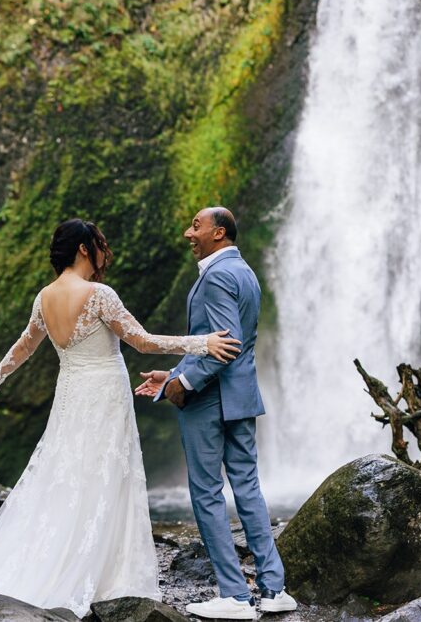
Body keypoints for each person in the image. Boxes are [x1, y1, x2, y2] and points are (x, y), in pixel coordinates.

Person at [0, 218, 242, 618]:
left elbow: (25, 346)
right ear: (84, 248)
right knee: (106, 476)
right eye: (101, 243)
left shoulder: (44, 297)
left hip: (71, 396)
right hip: (104, 395)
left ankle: (54, 561)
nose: (106, 251)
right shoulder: (98, 294)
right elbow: (143, 341)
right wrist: (203, 344)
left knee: (66, 473)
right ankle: (105, 575)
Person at [135, 206, 297, 620]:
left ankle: (235, 596)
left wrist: (181, 385)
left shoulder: (218, 274)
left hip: (209, 400)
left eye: (196, 226)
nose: (189, 233)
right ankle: (273, 588)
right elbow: (216, 345)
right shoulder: (245, 272)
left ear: (219, 232)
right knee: (247, 488)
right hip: (240, 397)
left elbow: (226, 345)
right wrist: (171, 371)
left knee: (206, 493)